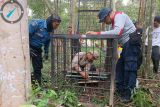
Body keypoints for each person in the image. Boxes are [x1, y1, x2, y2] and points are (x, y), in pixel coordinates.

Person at [86, 8, 142, 103]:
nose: (104, 22)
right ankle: (120, 91)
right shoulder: (115, 21)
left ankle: (128, 94)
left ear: (108, 15)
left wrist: (97, 33)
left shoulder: (119, 16)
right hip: (125, 46)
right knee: (119, 68)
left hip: (131, 45)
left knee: (129, 69)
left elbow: (117, 32)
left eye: (104, 20)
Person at [29, 14, 61, 85]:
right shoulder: (37, 24)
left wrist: (46, 52)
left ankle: (37, 86)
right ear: (51, 22)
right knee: (24, 65)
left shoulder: (51, 31)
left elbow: (47, 42)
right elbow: (26, 34)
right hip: (27, 46)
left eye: (58, 25)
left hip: (37, 49)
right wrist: (28, 48)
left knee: (38, 68)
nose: (57, 26)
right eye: (56, 24)